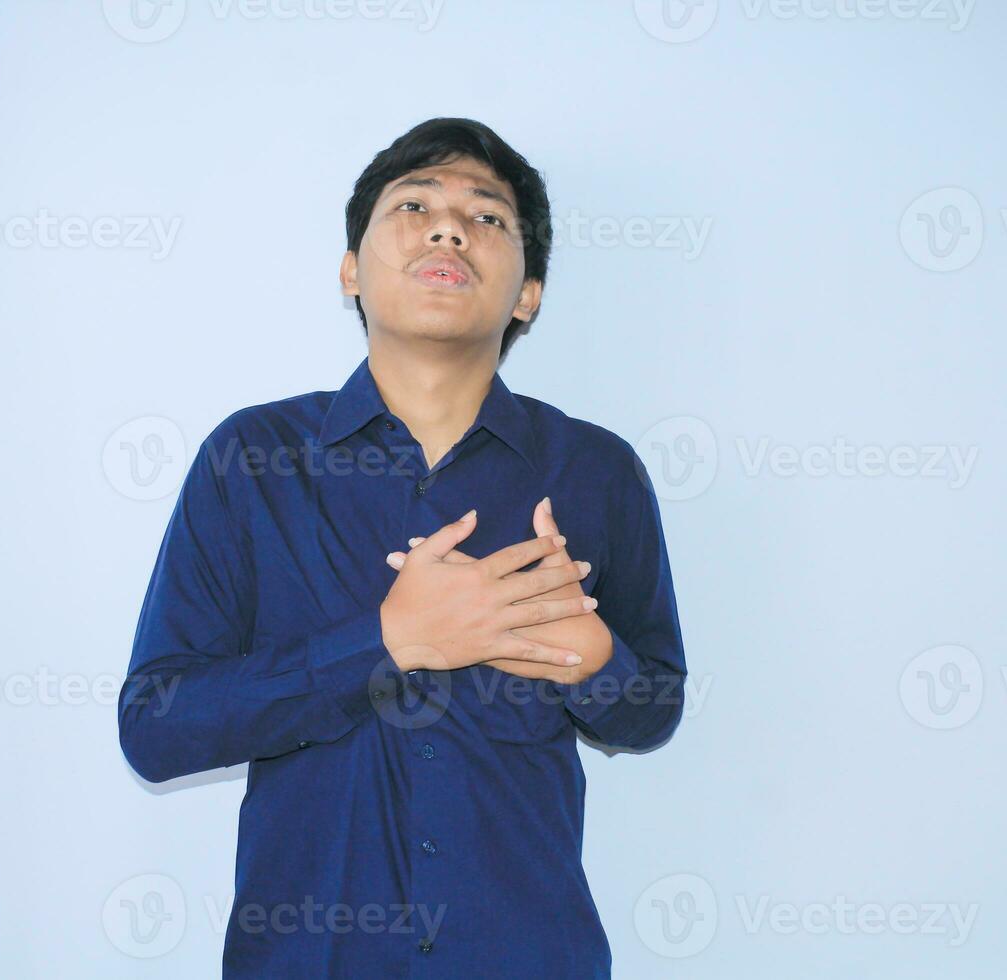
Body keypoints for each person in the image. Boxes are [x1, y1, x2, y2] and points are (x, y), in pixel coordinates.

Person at [118, 116, 688, 978]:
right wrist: (388, 643)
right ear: (352, 270)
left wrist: (597, 664)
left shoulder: (594, 471)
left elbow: (655, 708)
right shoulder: (253, 460)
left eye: (488, 217)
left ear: (528, 292)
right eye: (413, 206)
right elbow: (155, 728)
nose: (449, 228)